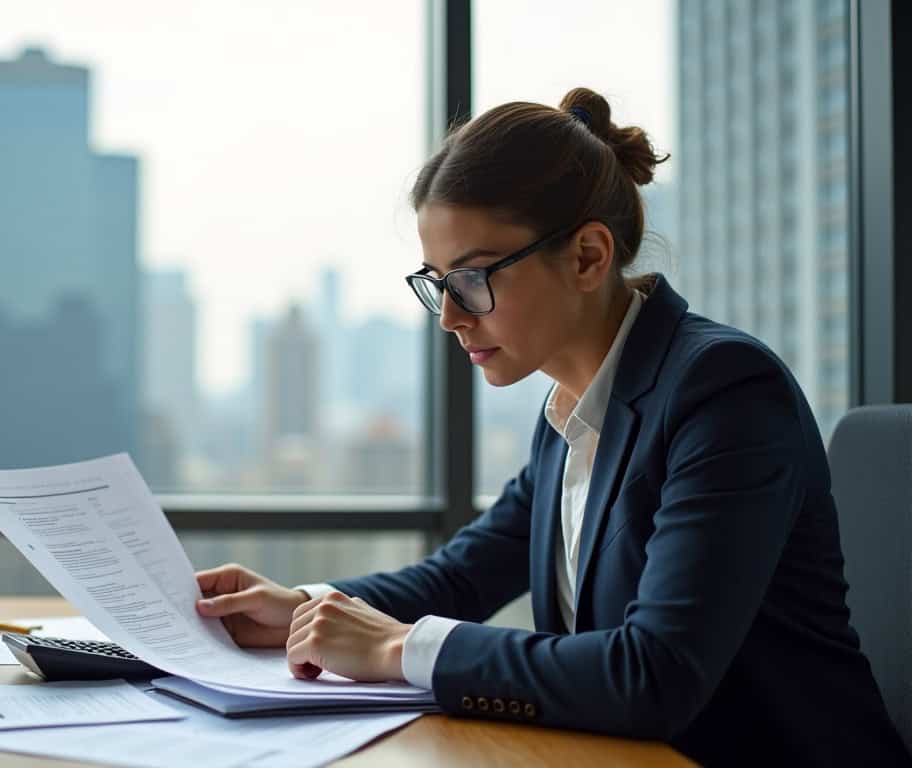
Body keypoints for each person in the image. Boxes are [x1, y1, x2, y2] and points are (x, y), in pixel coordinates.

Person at [193, 87, 910, 766]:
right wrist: (302, 608)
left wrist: (397, 649)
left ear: (588, 257)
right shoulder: (572, 406)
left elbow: (653, 673)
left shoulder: (723, 393)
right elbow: (462, 575)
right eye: (437, 283)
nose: (450, 315)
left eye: (473, 278)